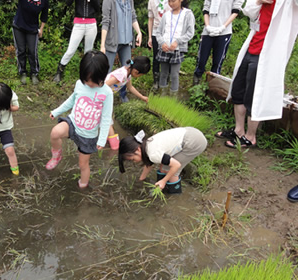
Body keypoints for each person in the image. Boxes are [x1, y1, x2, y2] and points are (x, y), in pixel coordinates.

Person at [216, 0, 298, 149]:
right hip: (252, 46)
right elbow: (249, 11)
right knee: (238, 90)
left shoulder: (288, 4)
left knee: (254, 96)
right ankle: (238, 131)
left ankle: (250, 136)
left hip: (267, 54)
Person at [46, 51, 113, 189]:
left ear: (102, 76)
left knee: (83, 164)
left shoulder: (107, 93)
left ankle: (83, 185)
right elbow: (71, 100)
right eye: (85, 80)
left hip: (88, 136)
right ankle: (56, 156)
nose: (88, 83)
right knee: (55, 132)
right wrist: (57, 111)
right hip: (73, 123)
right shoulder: (79, 84)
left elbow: (106, 118)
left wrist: (102, 139)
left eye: (92, 81)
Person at [118, 128, 207, 193]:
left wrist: (164, 181)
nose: (134, 161)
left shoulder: (152, 153)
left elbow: (176, 165)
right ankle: (162, 188)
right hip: (190, 132)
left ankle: (175, 195)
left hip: (194, 142)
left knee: (171, 170)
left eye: (133, 159)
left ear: (137, 150)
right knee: (163, 166)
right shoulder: (146, 144)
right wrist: (141, 179)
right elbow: (149, 164)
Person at [192, 0, 244, 85]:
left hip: (224, 32)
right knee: (201, 59)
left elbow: (235, 11)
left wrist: (223, 27)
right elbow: (206, 9)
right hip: (208, 31)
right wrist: (207, 26)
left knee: (217, 61)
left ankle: (212, 87)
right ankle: (196, 83)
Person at [105, 56, 151, 150]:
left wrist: (142, 97)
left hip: (107, 97)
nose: (139, 77)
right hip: (102, 97)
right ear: (136, 71)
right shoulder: (122, 74)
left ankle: (107, 138)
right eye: (140, 75)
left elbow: (130, 88)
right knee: (107, 121)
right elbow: (105, 84)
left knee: (108, 119)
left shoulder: (128, 74)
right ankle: (114, 147)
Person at [100, 0, 142, 102]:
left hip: (126, 42)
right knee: (107, 71)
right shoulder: (108, 1)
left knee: (127, 71)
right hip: (112, 42)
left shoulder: (129, 1)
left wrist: (139, 32)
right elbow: (105, 22)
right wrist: (102, 45)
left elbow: (133, 17)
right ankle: (102, 97)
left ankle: (123, 95)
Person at [53, 0, 100, 84]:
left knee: (88, 52)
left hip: (91, 24)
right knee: (70, 50)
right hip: (79, 24)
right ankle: (59, 72)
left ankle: (86, 75)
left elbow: (98, 8)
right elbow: (68, 3)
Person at [155, 0, 195, 94]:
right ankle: (162, 96)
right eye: (169, 1)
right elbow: (158, 32)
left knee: (174, 75)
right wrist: (162, 43)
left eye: (173, 1)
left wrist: (178, 42)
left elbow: (190, 33)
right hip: (164, 49)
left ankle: (173, 99)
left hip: (177, 50)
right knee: (163, 74)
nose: (171, 4)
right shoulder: (166, 15)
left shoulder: (188, 14)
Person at [13, 0, 49, 85]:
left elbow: (44, 15)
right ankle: (23, 72)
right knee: (21, 50)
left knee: (32, 51)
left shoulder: (44, 1)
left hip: (33, 28)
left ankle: (34, 73)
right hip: (19, 26)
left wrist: (41, 29)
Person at [148, 0, 170, 89]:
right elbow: (150, 19)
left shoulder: (170, 1)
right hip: (156, 32)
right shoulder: (152, 1)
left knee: (168, 56)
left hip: (168, 31)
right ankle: (156, 80)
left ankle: (166, 79)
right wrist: (149, 37)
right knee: (156, 57)